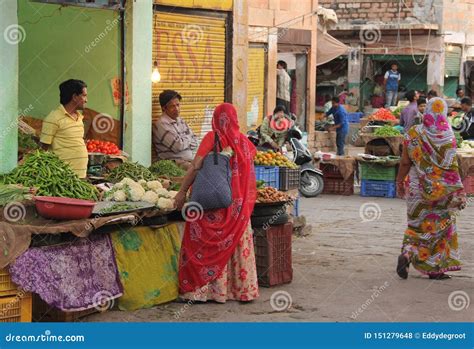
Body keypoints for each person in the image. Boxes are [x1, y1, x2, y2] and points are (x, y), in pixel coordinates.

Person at [174, 103, 259, 303]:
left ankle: (203, 292)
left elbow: (195, 167)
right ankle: (238, 291)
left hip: (211, 205)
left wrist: (181, 192)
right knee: (236, 243)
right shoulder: (245, 144)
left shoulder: (213, 138)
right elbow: (248, 179)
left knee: (199, 242)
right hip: (237, 210)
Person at [396, 98, 466, 280]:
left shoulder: (413, 133)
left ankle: (407, 253)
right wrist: (458, 191)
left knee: (416, 225)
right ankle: (436, 269)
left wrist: (398, 182)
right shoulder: (449, 136)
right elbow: (453, 166)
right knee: (440, 228)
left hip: (416, 188)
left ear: (426, 111)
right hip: (442, 190)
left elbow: (405, 162)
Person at [40, 79, 88, 178]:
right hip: (63, 178)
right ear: (74, 97)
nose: (86, 100)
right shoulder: (53, 118)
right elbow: (43, 149)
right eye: (84, 95)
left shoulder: (79, 117)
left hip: (80, 176)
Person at [152, 90, 198, 170]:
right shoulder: (162, 124)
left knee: (208, 164)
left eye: (177, 105)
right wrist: (188, 139)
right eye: (172, 106)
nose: (176, 109)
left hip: (188, 160)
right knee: (197, 170)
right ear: (164, 108)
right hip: (173, 163)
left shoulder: (180, 120)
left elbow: (195, 142)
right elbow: (178, 146)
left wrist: (184, 140)